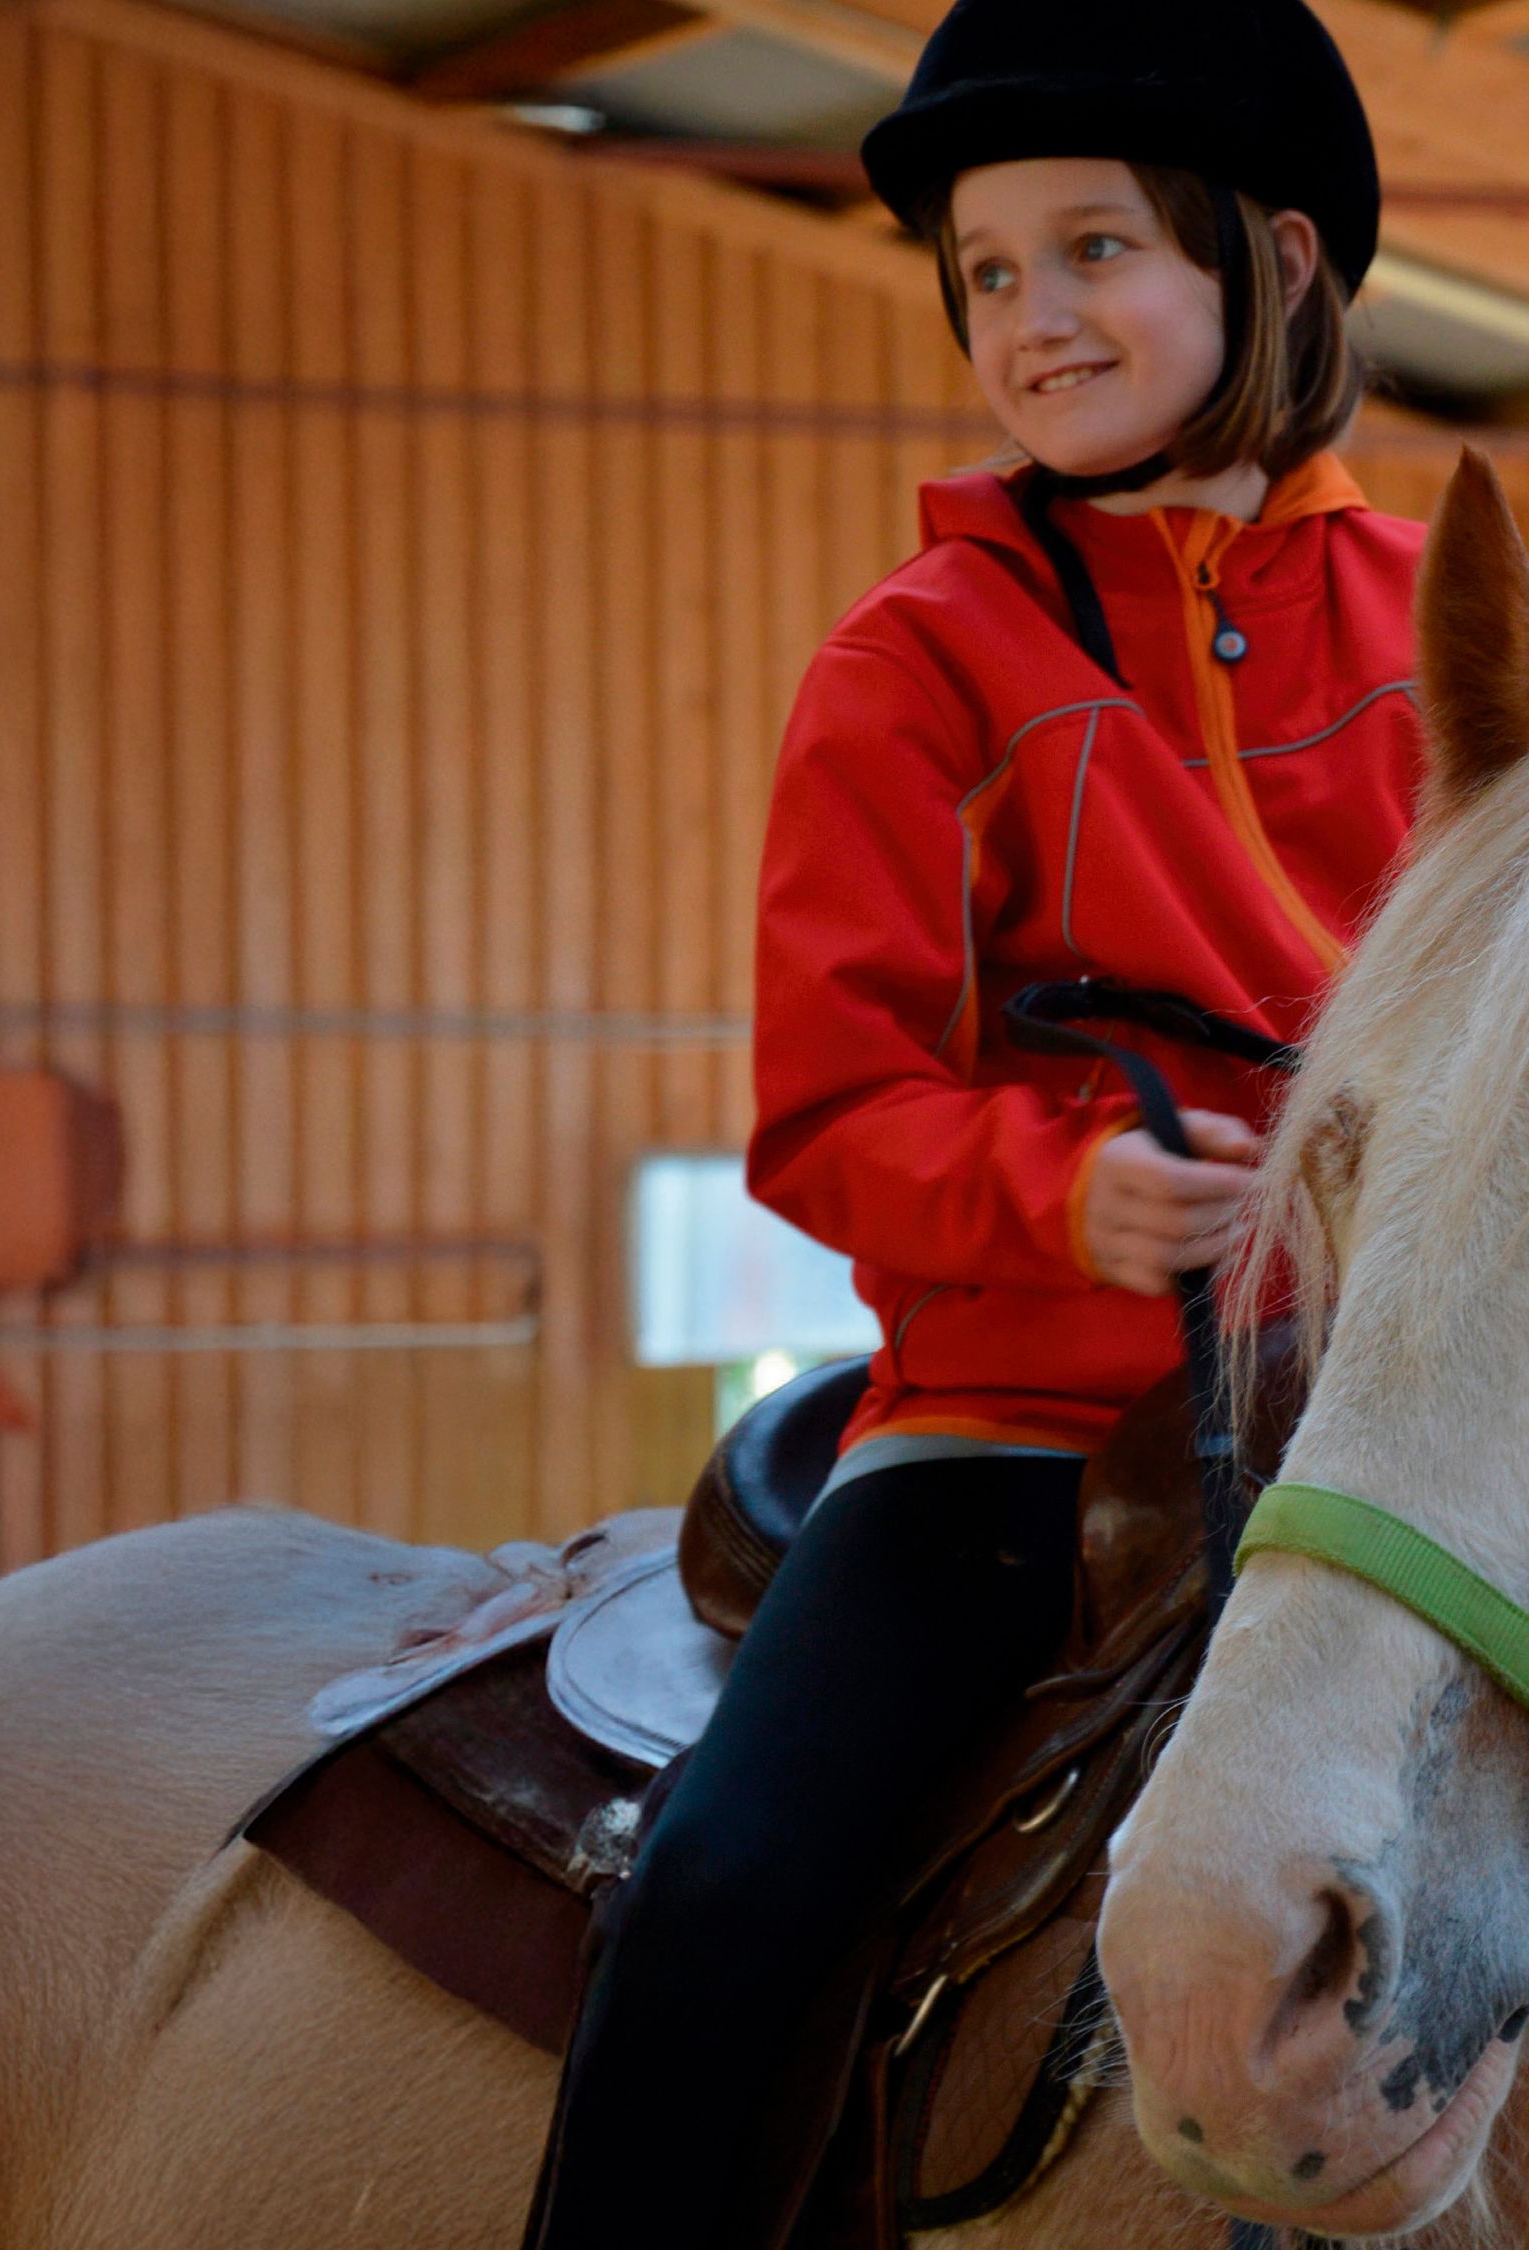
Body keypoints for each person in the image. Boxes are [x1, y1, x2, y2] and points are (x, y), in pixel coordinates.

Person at [521, 4, 1420, 2240]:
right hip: (1019, 1431)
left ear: (1277, 263)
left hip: (1410, 1425)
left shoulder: (1456, 626)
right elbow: (832, 1118)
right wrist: (1069, 1197)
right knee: (727, 1888)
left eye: (1093, 251)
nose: (1033, 320)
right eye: (988, 275)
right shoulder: (911, 660)